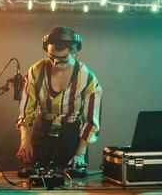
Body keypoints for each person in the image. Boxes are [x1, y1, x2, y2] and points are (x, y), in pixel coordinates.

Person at [16, 26, 102, 169]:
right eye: (52, 57)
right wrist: (25, 141)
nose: (56, 63)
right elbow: (26, 112)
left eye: (62, 59)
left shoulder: (87, 78)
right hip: (42, 135)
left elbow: (91, 122)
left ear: (74, 53)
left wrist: (80, 154)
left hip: (72, 139)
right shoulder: (36, 71)